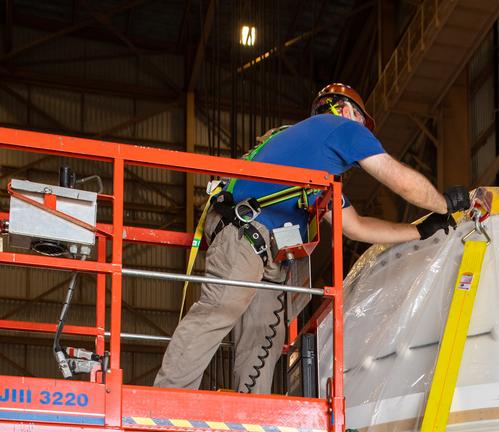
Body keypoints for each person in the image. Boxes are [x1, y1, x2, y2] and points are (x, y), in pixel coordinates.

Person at [154, 82, 470, 394]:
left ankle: (251, 416)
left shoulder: (314, 173)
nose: (365, 134)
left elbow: (355, 227)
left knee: (264, 333)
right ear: (346, 110)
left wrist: (418, 230)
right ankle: (164, 401)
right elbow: (397, 179)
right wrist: (444, 204)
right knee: (219, 310)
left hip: (263, 249)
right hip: (244, 233)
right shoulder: (339, 127)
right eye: (362, 123)